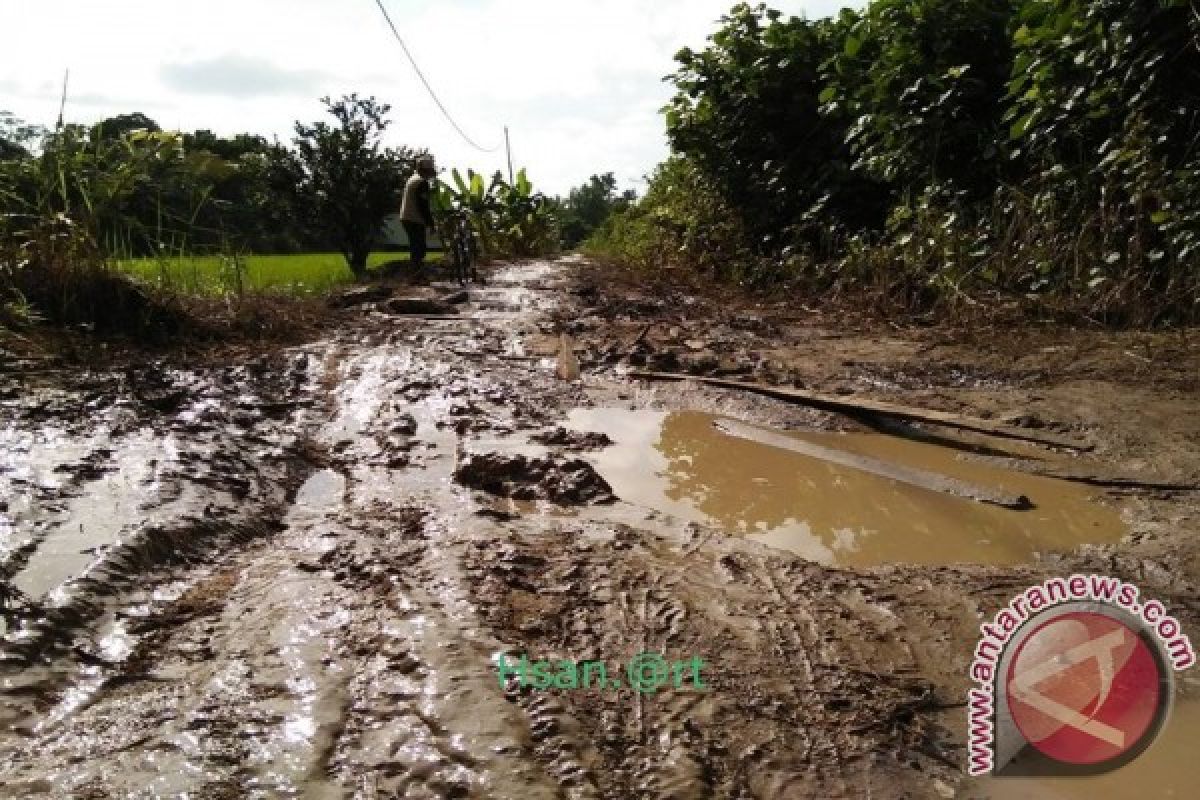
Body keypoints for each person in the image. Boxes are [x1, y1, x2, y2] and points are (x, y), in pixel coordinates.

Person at [400, 156, 437, 279]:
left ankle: (416, 275)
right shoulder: (422, 182)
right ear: (425, 170)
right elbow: (423, 206)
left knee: (416, 247)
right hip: (414, 218)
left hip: (406, 217)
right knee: (419, 248)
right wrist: (431, 223)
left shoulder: (412, 179)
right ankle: (416, 276)